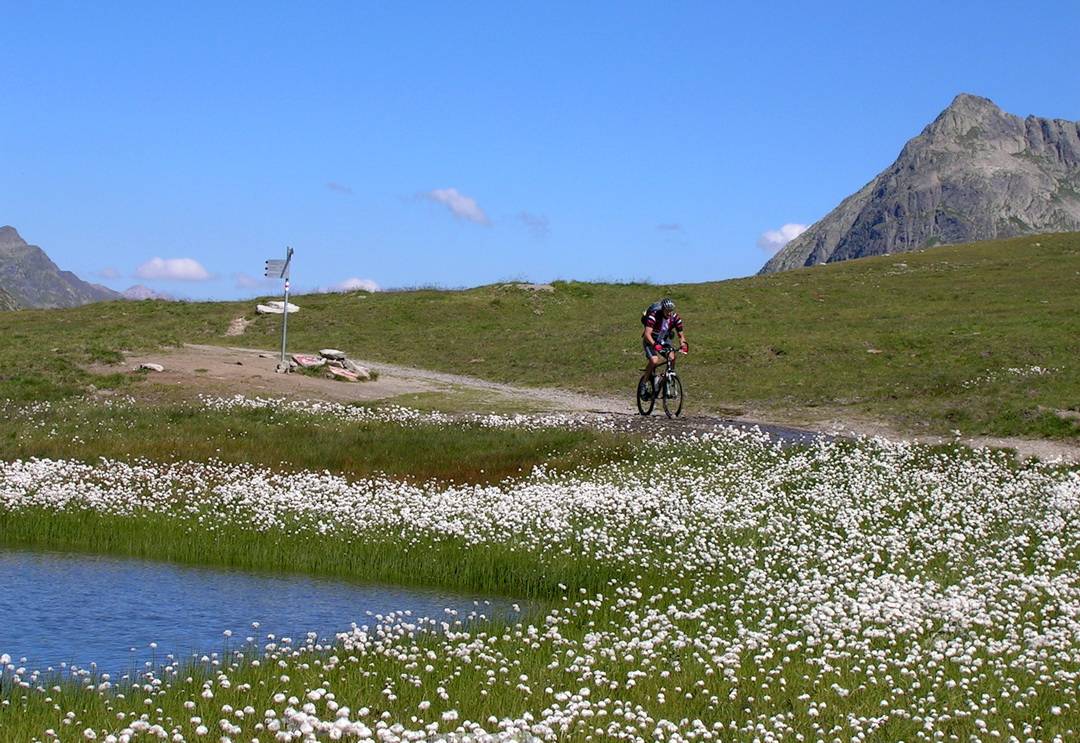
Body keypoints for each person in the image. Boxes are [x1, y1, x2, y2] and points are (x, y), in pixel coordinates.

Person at [639, 297, 688, 399]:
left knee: (672, 357)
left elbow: (681, 335)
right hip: (650, 340)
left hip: (663, 340)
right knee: (654, 360)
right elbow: (647, 334)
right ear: (662, 310)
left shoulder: (675, 318)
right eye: (667, 311)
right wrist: (655, 345)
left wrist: (683, 345)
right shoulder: (654, 316)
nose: (669, 313)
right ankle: (643, 384)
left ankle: (666, 378)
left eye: (671, 311)